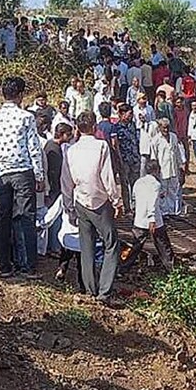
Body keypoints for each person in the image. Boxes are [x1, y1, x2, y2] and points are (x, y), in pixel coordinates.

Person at [0, 77, 45, 278]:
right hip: (23, 171)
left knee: (4, 218)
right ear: (20, 95)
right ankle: (27, 265)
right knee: (25, 217)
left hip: (1, 174)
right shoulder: (26, 117)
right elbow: (33, 148)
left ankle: (4, 265)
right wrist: (39, 175)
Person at [61, 112, 123, 306]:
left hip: (80, 200)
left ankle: (90, 289)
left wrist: (69, 205)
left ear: (78, 129)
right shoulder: (101, 146)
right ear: (95, 127)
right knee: (111, 244)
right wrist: (117, 201)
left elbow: (65, 180)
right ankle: (104, 291)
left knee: (86, 246)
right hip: (100, 201)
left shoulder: (71, 150)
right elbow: (108, 177)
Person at [131, 159, 176, 271]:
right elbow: (152, 201)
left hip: (139, 220)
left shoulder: (138, 182)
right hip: (154, 221)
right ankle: (172, 269)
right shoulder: (156, 184)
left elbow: (134, 198)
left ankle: (122, 266)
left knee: (135, 247)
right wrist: (152, 219)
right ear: (156, 170)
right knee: (164, 246)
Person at [43, 123, 73, 255]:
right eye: (68, 134)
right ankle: (54, 246)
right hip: (54, 189)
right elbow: (54, 172)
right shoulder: (54, 149)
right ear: (62, 134)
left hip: (54, 188)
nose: (70, 136)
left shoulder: (52, 145)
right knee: (55, 217)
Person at [149, 118, 184, 217]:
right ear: (159, 128)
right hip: (162, 169)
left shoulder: (173, 137)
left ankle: (172, 211)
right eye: (164, 128)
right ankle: (164, 211)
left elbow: (177, 153)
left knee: (173, 190)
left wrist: (180, 166)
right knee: (163, 191)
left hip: (173, 168)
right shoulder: (155, 140)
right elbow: (154, 157)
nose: (166, 130)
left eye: (167, 128)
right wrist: (155, 171)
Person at [114, 103, 141, 211]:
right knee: (125, 185)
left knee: (136, 183)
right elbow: (116, 146)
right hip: (124, 160)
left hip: (134, 159)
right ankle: (127, 207)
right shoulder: (116, 128)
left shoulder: (132, 125)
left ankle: (136, 206)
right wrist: (119, 160)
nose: (130, 116)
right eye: (129, 114)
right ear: (121, 114)